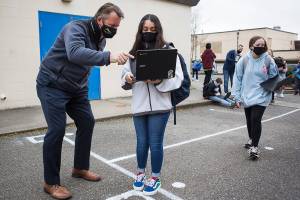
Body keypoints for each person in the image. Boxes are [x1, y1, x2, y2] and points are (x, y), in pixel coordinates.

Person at [36, 3, 133, 199]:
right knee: (57, 129)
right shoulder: (75, 28)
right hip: (52, 84)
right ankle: (51, 182)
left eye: (117, 28)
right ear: (100, 20)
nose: (113, 30)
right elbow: (75, 53)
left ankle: (80, 168)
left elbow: (86, 66)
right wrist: (109, 57)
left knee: (87, 122)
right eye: (112, 26)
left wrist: (83, 87)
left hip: (76, 89)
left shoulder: (101, 39)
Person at [121, 14, 183, 195]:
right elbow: (124, 75)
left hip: (160, 106)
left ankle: (155, 177)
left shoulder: (168, 50)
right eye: (145, 29)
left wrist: (158, 81)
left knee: (155, 143)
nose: (148, 32)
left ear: (158, 30)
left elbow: (177, 79)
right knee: (141, 142)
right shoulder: (133, 52)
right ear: (140, 30)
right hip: (139, 105)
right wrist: (128, 77)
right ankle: (140, 173)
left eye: (152, 29)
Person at [232, 36, 278, 160]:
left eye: (263, 45)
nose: (260, 47)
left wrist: (272, 84)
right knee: (249, 120)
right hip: (246, 95)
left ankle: (254, 147)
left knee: (255, 119)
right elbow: (237, 78)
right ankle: (252, 138)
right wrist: (236, 97)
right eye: (258, 44)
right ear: (252, 45)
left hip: (262, 96)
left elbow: (274, 77)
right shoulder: (244, 60)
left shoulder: (268, 60)